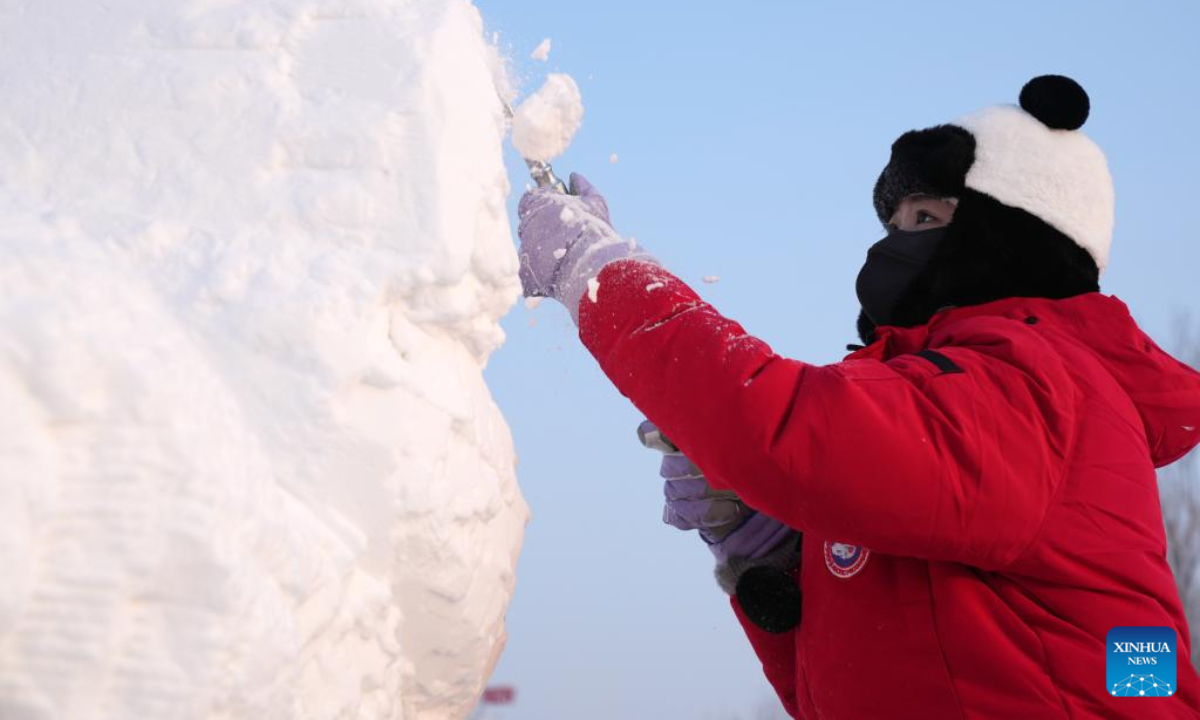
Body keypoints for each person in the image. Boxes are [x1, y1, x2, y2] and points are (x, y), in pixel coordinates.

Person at [516, 75, 1200, 718]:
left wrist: (600, 275)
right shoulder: (980, 403)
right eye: (893, 224)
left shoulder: (1035, 380)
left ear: (1013, 228)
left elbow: (784, 429)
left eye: (927, 215)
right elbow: (848, 689)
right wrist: (772, 557)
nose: (898, 245)